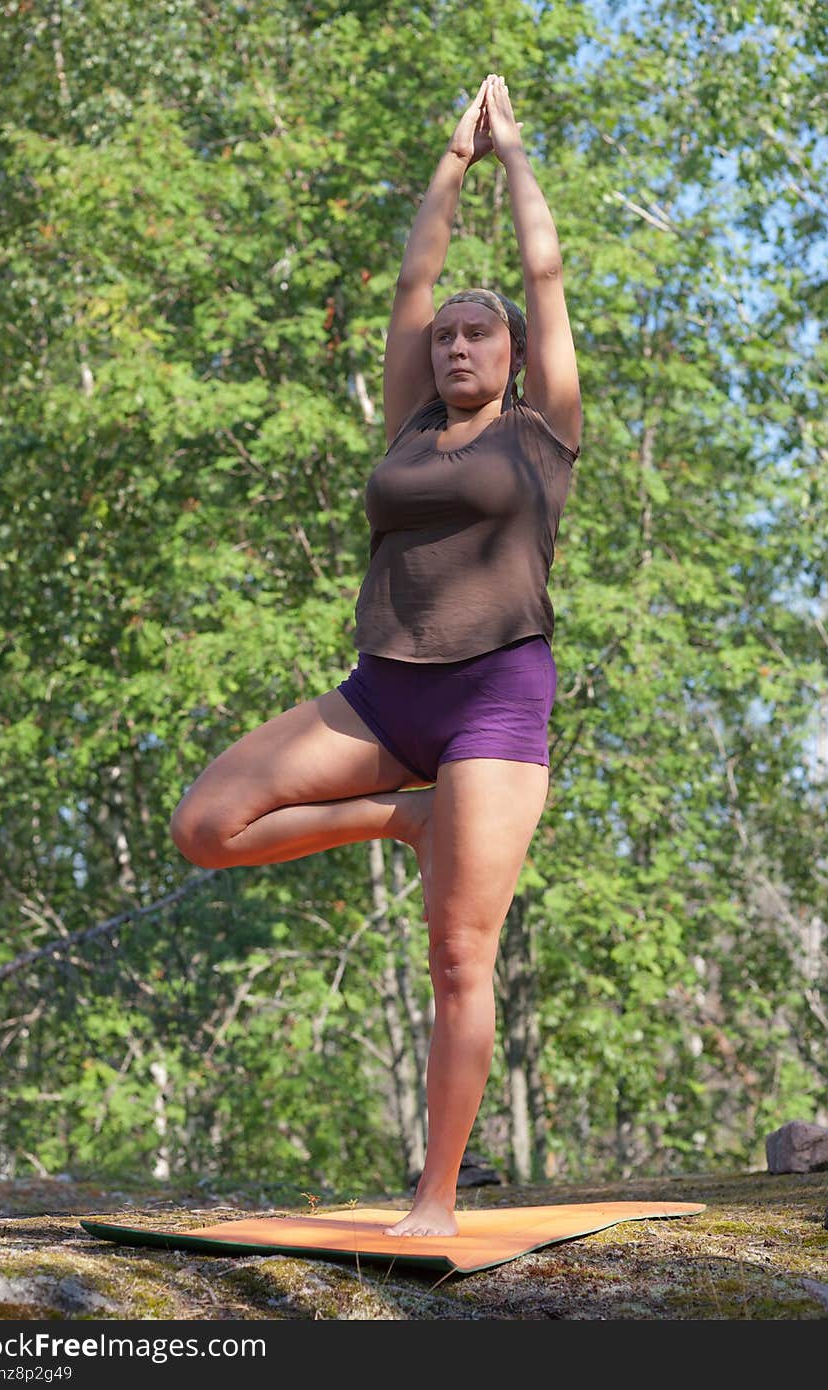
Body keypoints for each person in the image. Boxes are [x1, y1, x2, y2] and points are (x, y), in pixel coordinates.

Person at [169, 74, 582, 1237]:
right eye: (446, 334)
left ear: (509, 354)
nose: (455, 343)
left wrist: (509, 158)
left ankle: (437, 1196)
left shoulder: (542, 432)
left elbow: (544, 275)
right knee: (208, 827)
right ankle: (403, 816)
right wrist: (445, 162)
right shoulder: (409, 422)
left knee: (459, 954)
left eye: (476, 332)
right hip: (381, 695)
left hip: (497, 703)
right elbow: (411, 280)